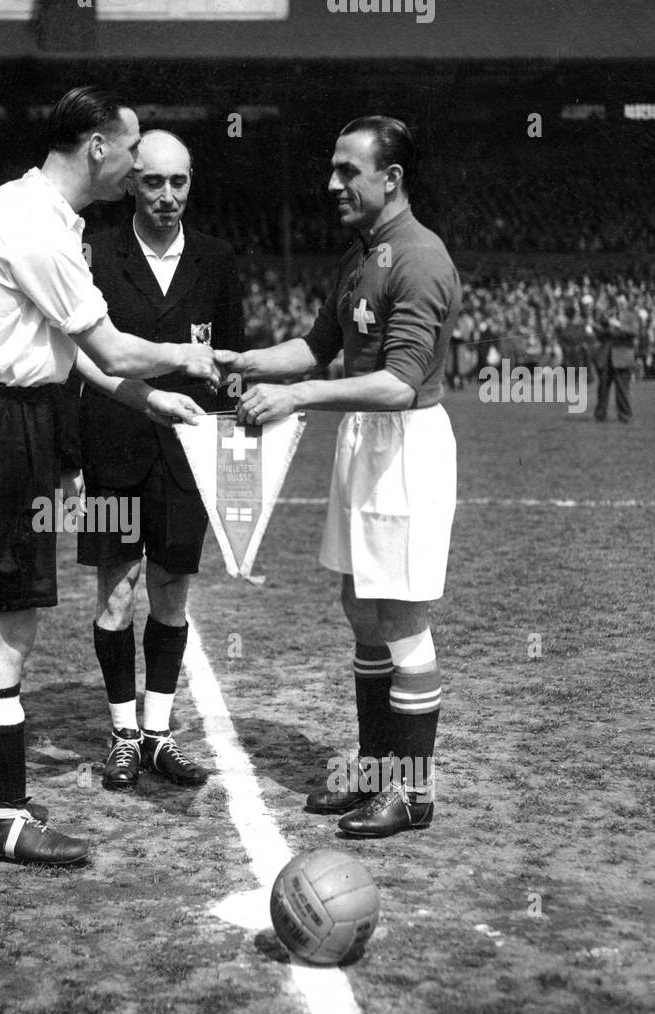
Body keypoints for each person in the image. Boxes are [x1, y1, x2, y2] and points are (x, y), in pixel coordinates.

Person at [0, 87, 220, 866]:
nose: (134, 167)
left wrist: (149, 402)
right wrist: (189, 359)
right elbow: (112, 346)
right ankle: (3, 817)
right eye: (129, 152)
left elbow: (82, 353)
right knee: (8, 624)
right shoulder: (39, 226)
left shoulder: (16, 205)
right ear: (96, 146)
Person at [216, 116, 460, 838]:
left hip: (405, 446)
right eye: (331, 167)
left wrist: (295, 399)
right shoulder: (362, 255)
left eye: (348, 170)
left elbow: (399, 384)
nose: (332, 183)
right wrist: (239, 362)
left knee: (401, 616)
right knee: (360, 607)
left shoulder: (421, 257)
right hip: (362, 439)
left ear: (392, 178)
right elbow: (317, 346)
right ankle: (374, 772)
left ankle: (412, 791)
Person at [67, 130, 244, 792]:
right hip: (112, 444)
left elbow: (231, 362)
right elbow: (74, 358)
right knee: (116, 591)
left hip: (189, 454)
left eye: (180, 182)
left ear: (192, 182)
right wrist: (71, 455)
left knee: (171, 591)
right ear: (130, 183)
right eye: (152, 182)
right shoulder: (96, 254)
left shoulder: (218, 259)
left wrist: (238, 456)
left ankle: (160, 731)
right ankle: (121, 733)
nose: (168, 196)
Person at [596, 292, 635, 422]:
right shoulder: (608, 315)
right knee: (602, 389)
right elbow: (600, 331)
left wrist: (619, 326)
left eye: (622, 302)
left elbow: (634, 332)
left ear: (627, 303)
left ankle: (625, 416)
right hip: (606, 357)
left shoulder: (632, 316)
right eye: (618, 302)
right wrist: (604, 324)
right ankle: (600, 416)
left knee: (622, 390)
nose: (620, 305)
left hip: (622, 358)